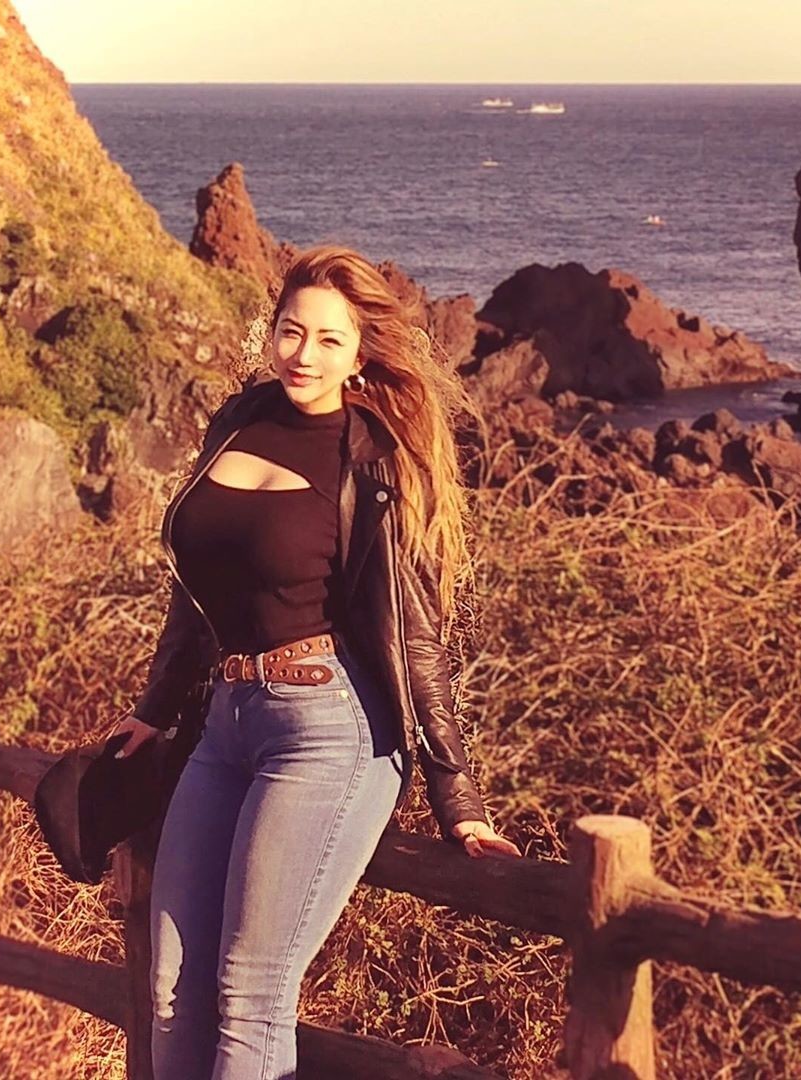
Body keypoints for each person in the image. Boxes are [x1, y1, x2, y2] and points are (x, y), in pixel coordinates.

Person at [108, 244, 521, 1079]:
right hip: (225, 724)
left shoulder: (371, 456)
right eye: (292, 332)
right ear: (272, 332)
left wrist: (458, 795)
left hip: (328, 731)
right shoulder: (239, 419)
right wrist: (155, 708)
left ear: (360, 353)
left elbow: (415, 632)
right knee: (169, 986)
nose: (304, 354)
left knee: (250, 991)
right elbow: (197, 589)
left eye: (330, 340)